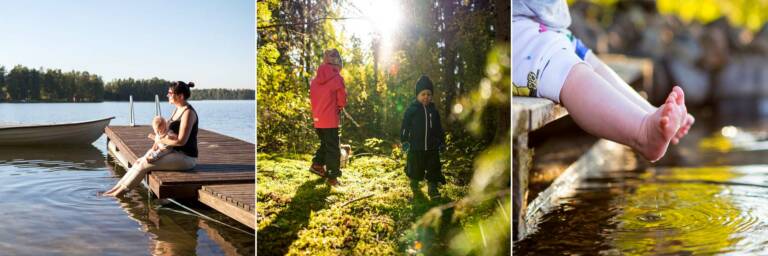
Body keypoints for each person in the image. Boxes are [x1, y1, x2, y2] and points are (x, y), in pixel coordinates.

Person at [512, 0, 695, 162]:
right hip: (511, 31)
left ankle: (649, 113)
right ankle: (643, 132)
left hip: (547, 25)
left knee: (594, 66)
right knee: (569, 72)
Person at [104, 81, 199, 197]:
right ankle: (114, 190)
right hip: (173, 152)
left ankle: (118, 194)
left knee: (144, 165)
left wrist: (160, 140)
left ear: (181, 96)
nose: (167, 95)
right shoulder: (177, 109)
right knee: (139, 161)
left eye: (170, 93)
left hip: (186, 158)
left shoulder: (188, 113)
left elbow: (181, 141)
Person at [401, 75, 446, 199]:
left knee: (434, 166)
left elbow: (438, 128)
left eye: (429, 94)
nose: (426, 97)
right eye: (423, 94)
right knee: (415, 166)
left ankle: (433, 187)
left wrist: (442, 142)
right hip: (416, 145)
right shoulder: (412, 109)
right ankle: (415, 183)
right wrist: (404, 140)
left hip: (432, 146)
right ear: (417, 95)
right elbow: (405, 125)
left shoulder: (433, 111)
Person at [308, 49, 347, 186]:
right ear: (338, 65)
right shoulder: (337, 79)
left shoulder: (314, 81)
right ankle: (332, 177)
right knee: (333, 149)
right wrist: (340, 107)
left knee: (325, 143)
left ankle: (317, 165)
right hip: (330, 119)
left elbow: (313, 98)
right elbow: (342, 99)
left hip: (318, 119)